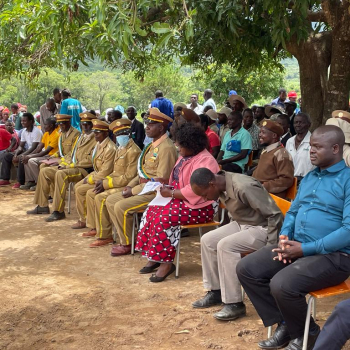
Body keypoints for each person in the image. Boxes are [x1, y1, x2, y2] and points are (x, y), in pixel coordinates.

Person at [237, 125, 350, 350]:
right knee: (247, 268)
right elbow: (294, 211)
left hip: (334, 255)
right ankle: (291, 325)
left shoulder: (347, 180)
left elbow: (348, 231)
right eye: (311, 147)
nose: (312, 151)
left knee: (282, 284)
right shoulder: (309, 177)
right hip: (295, 247)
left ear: (336, 148)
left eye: (318, 147)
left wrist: (304, 249)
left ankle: (306, 334)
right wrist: (285, 235)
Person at [190, 168, 283, 320]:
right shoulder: (220, 185)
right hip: (243, 224)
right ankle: (216, 291)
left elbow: (274, 215)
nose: (205, 199)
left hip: (264, 228)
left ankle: (234, 304)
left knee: (226, 246)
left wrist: (270, 248)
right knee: (207, 240)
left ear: (212, 184)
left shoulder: (243, 186)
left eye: (204, 194)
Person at [136, 124, 220, 282]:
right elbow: (177, 179)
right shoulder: (185, 156)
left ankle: (166, 264)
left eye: (180, 145)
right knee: (151, 211)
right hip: (182, 199)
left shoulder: (206, 161)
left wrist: (172, 193)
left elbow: (197, 190)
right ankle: (155, 256)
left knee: (164, 218)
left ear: (191, 144)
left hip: (202, 205)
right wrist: (166, 186)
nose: (177, 147)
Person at [105, 108, 177, 256]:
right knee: (111, 199)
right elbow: (142, 172)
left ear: (161, 127)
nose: (147, 127)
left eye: (151, 124)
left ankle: (127, 244)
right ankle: (127, 237)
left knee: (120, 206)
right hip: (143, 188)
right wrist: (129, 186)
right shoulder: (152, 145)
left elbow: (160, 181)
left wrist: (133, 191)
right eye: (147, 123)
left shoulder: (167, 148)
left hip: (157, 194)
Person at [82, 118, 142, 246]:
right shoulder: (121, 148)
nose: (120, 137)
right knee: (92, 193)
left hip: (128, 186)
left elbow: (128, 177)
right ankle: (96, 228)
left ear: (129, 133)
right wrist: (104, 181)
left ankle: (105, 236)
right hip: (116, 183)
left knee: (101, 197)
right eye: (118, 134)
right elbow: (115, 172)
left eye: (123, 134)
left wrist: (106, 184)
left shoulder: (134, 151)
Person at [27, 112, 96, 221]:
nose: (85, 127)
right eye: (83, 124)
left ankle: (58, 211)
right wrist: (63, 162)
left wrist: (69, 165)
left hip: (83, 170)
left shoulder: (95, 139)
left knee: (60, 173)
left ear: (93, 124)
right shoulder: (82, 137)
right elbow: (71, 154)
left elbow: (90, 160)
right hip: (71, 165)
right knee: (45, 171)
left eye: (88, 124)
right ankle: (42, 205)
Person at [71, 119, 117, 237]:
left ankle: (91, 224)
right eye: (95, 132)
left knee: (83, 190)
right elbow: (97, 168)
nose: (95, 135)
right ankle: (85, 219)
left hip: (104, 178)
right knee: (77, 186)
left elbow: (105, 172)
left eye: (98, 132)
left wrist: (90, 179)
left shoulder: (110, 148)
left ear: (106, 133)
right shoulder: (99, 144)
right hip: (97, 174)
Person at [253, 119, 294, 198]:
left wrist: (264, 186)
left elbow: (286, 180)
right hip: (258, 192)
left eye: (263, 132)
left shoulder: (281, 154)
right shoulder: (266, 151)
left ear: (274, 136)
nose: (260, 135)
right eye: (260, 132)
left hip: (269, 197)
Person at [0, 113, 43, 188]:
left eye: (24, 121)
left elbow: (33, 147)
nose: (22, 122)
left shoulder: (37, 131)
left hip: (36, 152)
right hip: (28, 151)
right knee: (6, 155)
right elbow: (21, 146)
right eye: (22, 121)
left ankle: (20, 181)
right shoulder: (24, 131)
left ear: (31, 121)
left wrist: (20, 155)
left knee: (21, 158)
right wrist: (16, 154)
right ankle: (5, 179)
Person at [20, 117, 60, 190]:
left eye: (45, 125)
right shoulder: (46, 134)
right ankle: (31, 181)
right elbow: (39, 148)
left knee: (31, 161)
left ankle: (40, 183)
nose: (44, 126)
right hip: (46, 155)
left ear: (51, 125)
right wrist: (28, 155)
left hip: (53, 157)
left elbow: (46, 151)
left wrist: (30, 157)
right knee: (26, 159)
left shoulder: (56, 135)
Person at [285, 112, 315, 182]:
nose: (298, 125)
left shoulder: (314, 141)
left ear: (309, 125)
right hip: (290, 181)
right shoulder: (290, 141)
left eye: (301, 122)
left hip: (307, 181)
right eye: (296, 122)